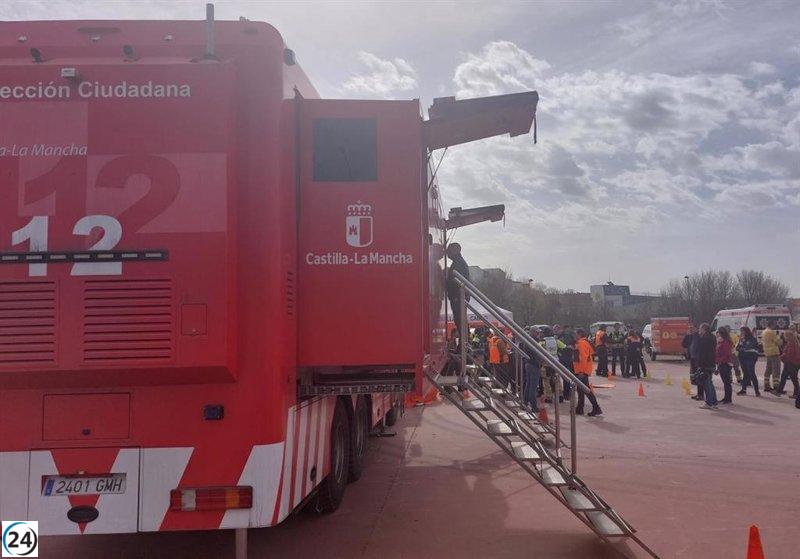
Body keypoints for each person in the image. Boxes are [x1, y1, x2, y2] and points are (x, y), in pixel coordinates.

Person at [445, 243, 469, 349]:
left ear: (457, 250)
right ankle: (463, 345)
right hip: (458, 296)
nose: (447, 253)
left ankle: (463, 346)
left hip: (458, 296)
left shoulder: (458, 263)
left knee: (460, 320)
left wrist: (446, 279)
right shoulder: (458, 262)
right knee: (460, 320)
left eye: (449, 250)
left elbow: (454, 281)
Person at [573, 329, 602, 416]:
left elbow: (583, 358)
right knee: (580, 390)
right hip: (582, 370)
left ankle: (596, 407)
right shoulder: (584, 342)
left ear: (580, 334)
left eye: (576, 334)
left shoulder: (582, 343)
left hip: (582, 371)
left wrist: (582, 371)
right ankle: (580, 408)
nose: (575, 335)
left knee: (586, 390)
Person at [697, 323, 718, 410]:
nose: (699, 331)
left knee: (707, 384)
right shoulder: (713, 338)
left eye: (700, 329)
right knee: (710, 383)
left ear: (704, 329)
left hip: (706, 364)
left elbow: (702, 353)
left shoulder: (704, 339)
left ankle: (709, 402)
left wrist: (700, 365)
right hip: (712, 362)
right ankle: (714, 401)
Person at [775, 330, 800, 400]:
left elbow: (789, 354)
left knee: (794, 378)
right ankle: (779, 390)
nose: (784, 337)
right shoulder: (793, 343)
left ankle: (796, 393)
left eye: (785, 336)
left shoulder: (791, 343)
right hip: (791, 363)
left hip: (792, 363)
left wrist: (782, 357)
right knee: (784, 376)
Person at [736, 326, 761, 396]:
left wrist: (742, 348)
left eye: (743, 331)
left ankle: (757, 391)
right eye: (741, 331)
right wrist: (739, 347)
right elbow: (737, 347)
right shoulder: (741, 339)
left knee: (751, 373)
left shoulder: (752, 339)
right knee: (745, 374)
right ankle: (743, 390)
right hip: (743, 358)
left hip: (750, 358)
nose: (741, 333)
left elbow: (749, 347)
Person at [715, 327, 735, 404]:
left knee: (727, 382)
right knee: (725, 382)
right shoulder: (720, 341)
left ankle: (728, 399)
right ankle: (726, 397)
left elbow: (727, 354)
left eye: (718, 333)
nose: (717, 334)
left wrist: (720, 360)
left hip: (725, 363)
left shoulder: (725, 342)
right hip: (721, 363)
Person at [761, 320, 782, 393]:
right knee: (776, 369)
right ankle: (776, 386)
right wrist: (780, 338)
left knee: (768, 369)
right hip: (774, 352)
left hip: (767, 353)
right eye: (774, 324)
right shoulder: (771, 332)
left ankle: (766, 385)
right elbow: (778, 342)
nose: (775, 325)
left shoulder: (764, 332)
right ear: (772, 324)